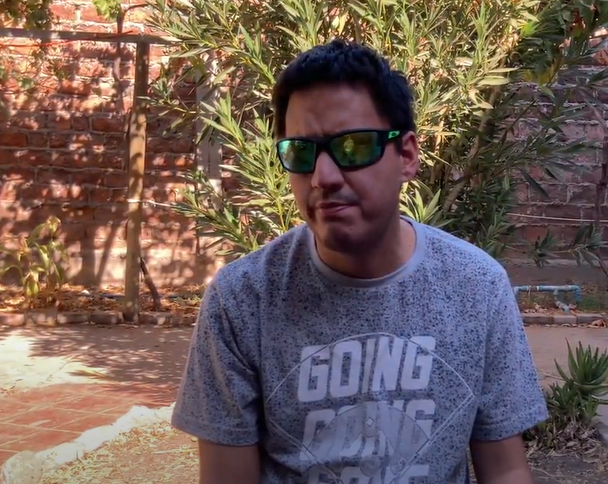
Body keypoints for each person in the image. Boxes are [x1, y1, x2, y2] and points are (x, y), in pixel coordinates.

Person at [172, 39, 548, 484]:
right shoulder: (241, 299)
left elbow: (505, 470)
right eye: (301, 153)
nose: (323, 177)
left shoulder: (477, 286)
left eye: (352, 148)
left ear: (406, 155)